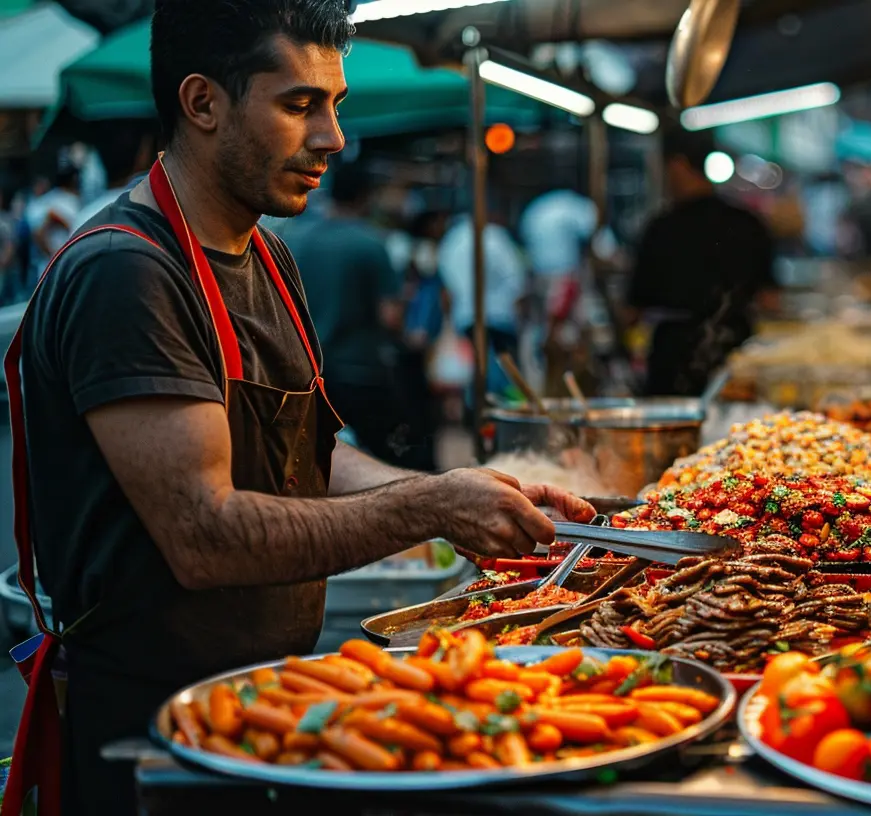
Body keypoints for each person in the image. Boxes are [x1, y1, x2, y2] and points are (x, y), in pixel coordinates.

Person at [2, 3, 594, 815]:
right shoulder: (126, 274)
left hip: (269, 698)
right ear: (203, 103)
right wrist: (427, 508)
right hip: (150, 734)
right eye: (299, 105)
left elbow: (311, 452)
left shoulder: (268, 256)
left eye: (336, 105)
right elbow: (203, 537)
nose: (333, 139)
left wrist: (458, 487)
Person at [291, 161, 435, 470]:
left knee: (320, 464)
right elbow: (391, 318)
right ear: (366, 196)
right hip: (361, 374)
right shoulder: (371, 244)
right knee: (382, 462)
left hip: (309, 374)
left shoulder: (297, 240)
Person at [627, 128, 776, 396]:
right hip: (737, 355)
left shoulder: (661, 229)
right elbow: (770, 299)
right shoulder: (747, 223)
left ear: (678, 165)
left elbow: (632, 311)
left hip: (672, 358)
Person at [436, 204, 528, 394]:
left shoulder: (452, 241)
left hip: (466, 317)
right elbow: (518, 282)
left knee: (477, 373)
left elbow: (447, 289)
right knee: (501, 376)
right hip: (501, 316)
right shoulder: (497, 237)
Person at [22, 163, 81, 286]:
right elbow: (39, 232)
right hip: (56, 265)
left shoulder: (56, 198)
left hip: (57, 264)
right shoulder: (64, 200)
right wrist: (52, 254)